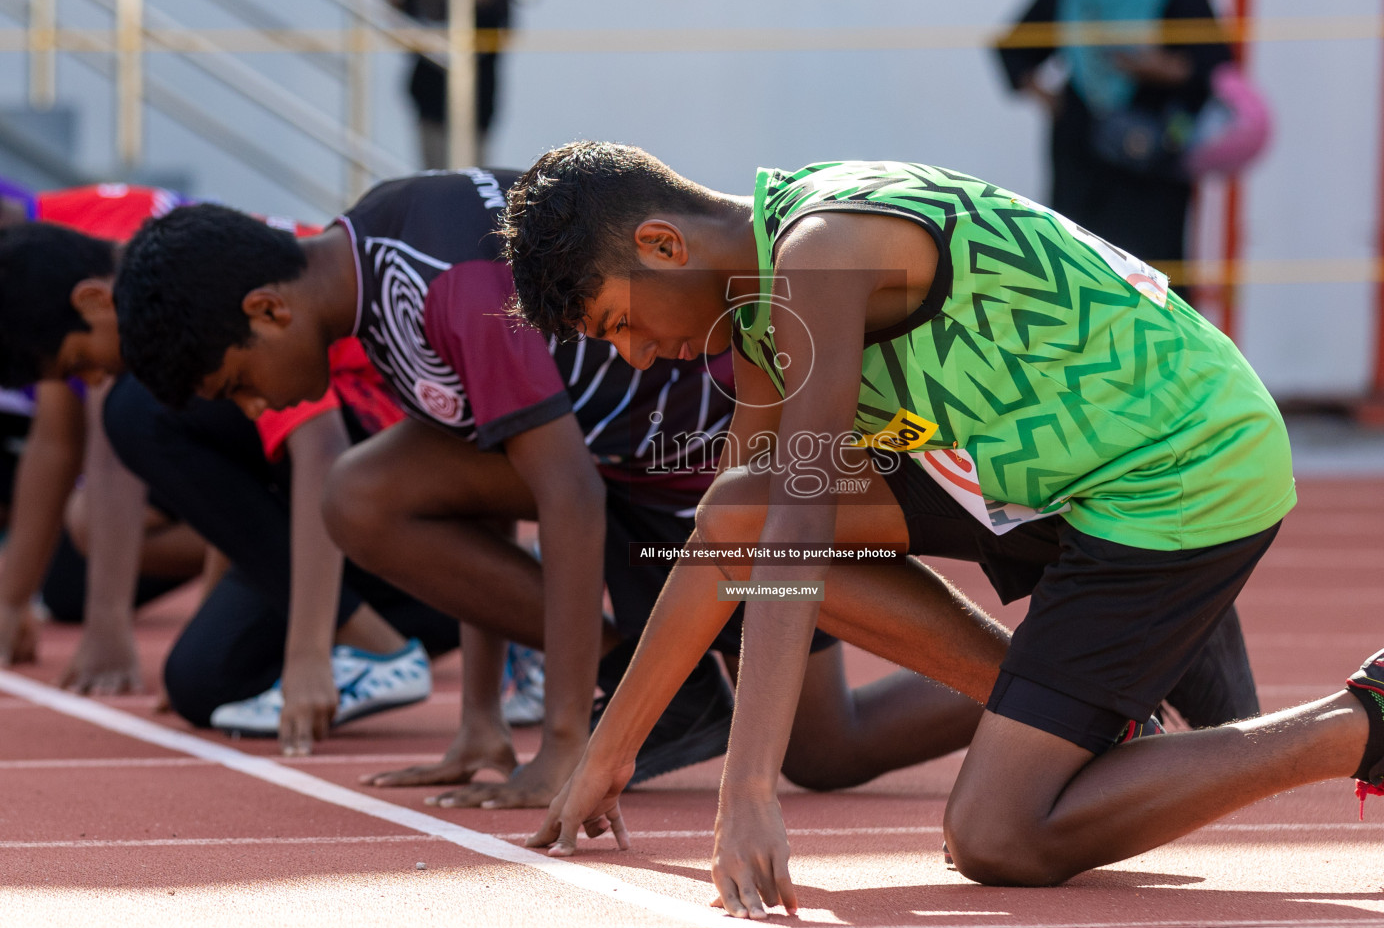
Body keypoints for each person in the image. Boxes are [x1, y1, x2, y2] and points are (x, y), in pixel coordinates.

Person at [501, 143, 1384, 915]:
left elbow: (803, 517)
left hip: (1179, 470)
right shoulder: (761, 289)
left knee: (998, 835)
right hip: (1053, 478)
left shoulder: (819, 252)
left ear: (662, 245)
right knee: (738, 509)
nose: (633, 356)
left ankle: (1374, 721)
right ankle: (1079, 718)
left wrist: (750, 786)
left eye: (617, 324)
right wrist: (609, 747)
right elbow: (736, 530)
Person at [111, 168, 997, 808]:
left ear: (268, 309)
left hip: (704, 464)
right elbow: (490, 489)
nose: (259, 404)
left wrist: (562, 741)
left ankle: (1074, 685)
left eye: (239, 382)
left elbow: (565, 494)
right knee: (363, 490)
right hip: (626, 471)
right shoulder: (372, 264)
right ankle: (652, 682)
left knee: (826, 749)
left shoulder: (446, 280)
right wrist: (481, 721)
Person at [0, 203, 454, 750]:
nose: (92, 378)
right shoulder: (157, 297)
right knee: (201, 682)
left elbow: (320, 443)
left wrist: (308, 652)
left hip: (405, 445)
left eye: (80, 364)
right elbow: (236, 477)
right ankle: (471, 601)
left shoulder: (201, 297)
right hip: (361, 474)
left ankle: (380, 641)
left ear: (94, 301)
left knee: (132, 411)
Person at [0, 183, 208, 685]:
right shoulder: (47, 244)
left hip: (276, 411)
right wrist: (9, 601)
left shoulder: (85, 255)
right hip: (202, 420)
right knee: (69, 583)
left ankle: (277, 551)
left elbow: (113, 443)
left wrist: (108, 626)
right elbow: (56, 440)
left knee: (93, 520)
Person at [997, 0, 1232, 301]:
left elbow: (1215, 67)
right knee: (1075, 279)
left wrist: (1161, 67)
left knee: (1156, 289)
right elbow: (1011, 51)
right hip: (1082, 164)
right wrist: (1050, 99)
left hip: (1153, 171)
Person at [377, 0, 513, 169]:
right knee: (436, 179)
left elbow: (500, 27)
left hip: (478, 100)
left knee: (474, 182)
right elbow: (408, 25)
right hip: (430, 96)